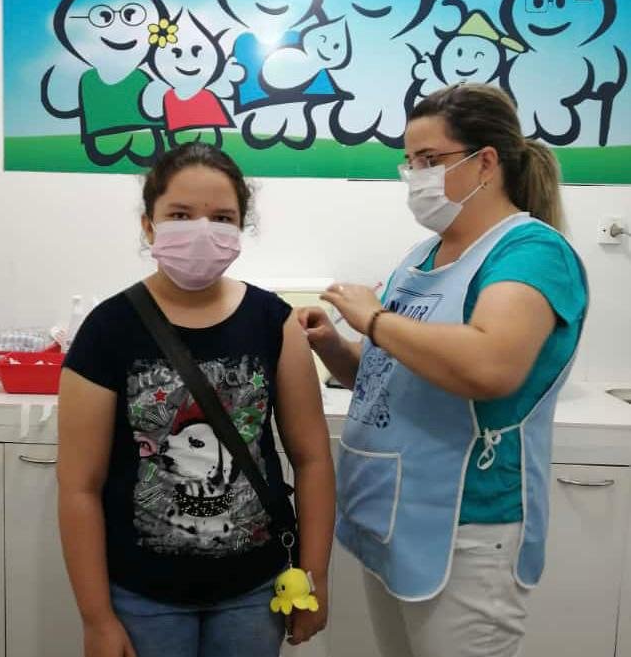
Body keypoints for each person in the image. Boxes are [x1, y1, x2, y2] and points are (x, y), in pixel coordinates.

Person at [299, 84, 588, 657]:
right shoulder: (421, 257)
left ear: (486, 162)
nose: (417, 177)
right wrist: (333, 344)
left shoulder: (531, 252)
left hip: (468, 529)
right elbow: (388, 376)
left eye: (430, 160)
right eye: (410, 162)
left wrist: (374, 318)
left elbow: (488, 366)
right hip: (392, 517)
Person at [58, 142, 335, 657]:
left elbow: (313, 459)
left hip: (254, 591)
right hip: (141, 595)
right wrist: (96, 618)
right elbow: (79, 486)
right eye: (181, 215)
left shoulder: (273, 323)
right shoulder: (107, 329)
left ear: (241, 228)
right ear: (149, 226)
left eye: (222, 217)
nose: (202, 231)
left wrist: (313, 577)